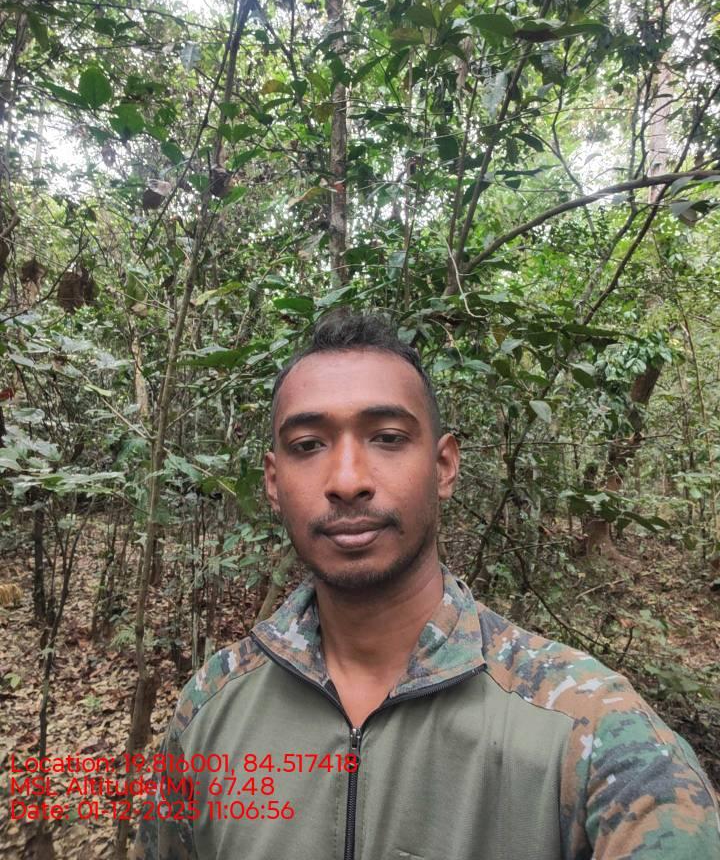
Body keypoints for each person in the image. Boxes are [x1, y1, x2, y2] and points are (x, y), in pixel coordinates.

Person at [133, 309, 720, 860]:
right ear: (273, 481)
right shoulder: (212, 709)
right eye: (308, 446)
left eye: (387, 437)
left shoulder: (588, 729)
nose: (347, 481)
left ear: (444, 467)